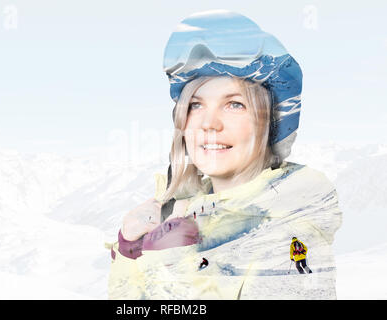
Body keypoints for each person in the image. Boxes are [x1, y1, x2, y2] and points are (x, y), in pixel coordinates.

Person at [107, 10, 342, 300]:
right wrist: (132, 249)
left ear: (271, 124)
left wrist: (171, 271)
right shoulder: (187, 214)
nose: (209, 123)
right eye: (195, 105)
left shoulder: (287, 233)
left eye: (234, 105)